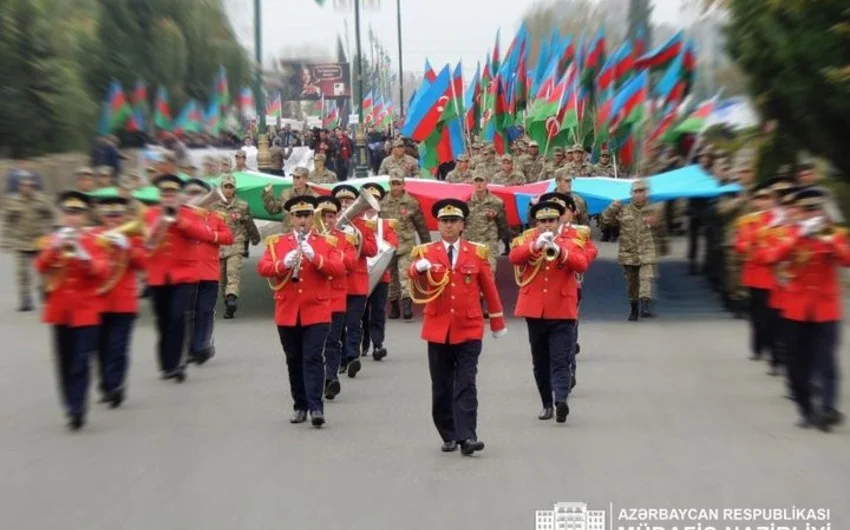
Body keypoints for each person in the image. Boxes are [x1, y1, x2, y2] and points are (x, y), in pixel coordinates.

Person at [408, 198, 507, 456]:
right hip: (438, 327)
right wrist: (417, 269)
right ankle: (448, 432)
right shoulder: (426, 252)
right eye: (444, 221)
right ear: (438, 225)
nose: (448, 226)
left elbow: (489, 288)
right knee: (441, 386)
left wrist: (497, 321)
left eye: (453, 222)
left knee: (466, 383)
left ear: (462, 225)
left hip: (469, 327)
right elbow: (413, 279)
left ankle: (467, 436)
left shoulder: (476, 252)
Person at [757, 188, 849, 430]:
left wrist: (829, 240)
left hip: (825, 309)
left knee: (827, 361)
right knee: (798, 366)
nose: (810, 215)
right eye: (806, 210)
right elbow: (770, 257)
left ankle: (828, 408)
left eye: (814, 210)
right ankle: (806, 407)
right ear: (797, 212)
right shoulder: (785, 233)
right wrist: (800, 236)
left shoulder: (833, 233)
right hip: (795, 309)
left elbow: (847, 259)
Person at [257, 196, 345, 427]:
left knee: (313, 357)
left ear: (312, 217)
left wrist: (314, 257)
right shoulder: (277, 243)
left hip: (316, 309)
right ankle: (300, 405)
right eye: (298, 216)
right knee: (293, 360)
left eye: (306, 215)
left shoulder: (326, 242)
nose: (303, 220)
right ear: (291, 218)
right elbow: (263, 268)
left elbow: (338, 268)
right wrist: (283, 264)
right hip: (288, 310)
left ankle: (316, 407)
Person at [34, 191, 109, 430]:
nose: (72, 218)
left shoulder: (95, 240)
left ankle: (77, 408)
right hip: (60, 311)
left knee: (80, 361)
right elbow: (40, 266)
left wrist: (81, 251)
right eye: (68, 213)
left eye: (77, 213)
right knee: (64, 361)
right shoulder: (51, 240)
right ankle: (69, 404)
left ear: (85, 216)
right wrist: (55, 246)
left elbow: (102, 271)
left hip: (86, 311)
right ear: (61, 214)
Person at [510, 200, 590, 422]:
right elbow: (514, 257)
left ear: (558, 221)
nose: (547, 225)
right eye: (543, 221)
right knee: (540, 360)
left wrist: (562, 251)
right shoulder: (527, 239)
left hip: (562, 308)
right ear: (536, 223)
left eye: (551, 221)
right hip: (535, 310)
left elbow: (582, 263)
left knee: (561, 358)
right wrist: (536, 245)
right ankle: (546, 403)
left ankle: (561, 400)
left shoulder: (571, 241)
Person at [143, 174, 220, 383]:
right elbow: (147, 243)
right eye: (165, 194)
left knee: (178, 317)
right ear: (160, 196)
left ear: (177, 195)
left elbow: (200, 234)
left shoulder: (188, 213)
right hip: (158, 277)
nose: (168, 197)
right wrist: (161, 221)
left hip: (183, 276)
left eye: (172, 193)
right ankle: (167, 364)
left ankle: (177, 364)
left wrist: (178, 218)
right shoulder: (150, 214)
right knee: (163, 321)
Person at [91, 197, 147, 407]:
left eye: (117, 216)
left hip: (124, 302)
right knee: (101, 347)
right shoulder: (95, 236)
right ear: (102, 217)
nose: (113, 220)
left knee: (118, 347)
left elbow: (143, 262)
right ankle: (106, 385)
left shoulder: (132, 237)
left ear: (124, 217)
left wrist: (128, 248)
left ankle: (116, 386)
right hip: (98, 301)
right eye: (108, 215)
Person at [183, 179, 233, 364]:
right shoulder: (186, 214)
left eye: (201, 193)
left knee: (205, 311)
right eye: (192, 193)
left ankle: (201, 345)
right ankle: (188, 348)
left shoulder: (217, 217)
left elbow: (228, 237)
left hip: (209, 272)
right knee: (188, 312)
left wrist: (210, 235)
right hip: (188, 273)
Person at [600, 179, 666, 321]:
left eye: (641, 191)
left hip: (647, 251)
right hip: (628, 253)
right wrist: (612, 208)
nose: (639, 194)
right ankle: (634, 308)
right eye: (636, 192)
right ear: (631, 194)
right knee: (632, 284)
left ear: (646, 193)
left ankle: (645, 304)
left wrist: (663, 246)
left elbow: (661, 230)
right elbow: (604, 222)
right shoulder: (623, 209)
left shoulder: (653, 210)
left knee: (646, 278)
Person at [331, 184, 379, 378]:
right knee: (339, 325)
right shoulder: (330, 224)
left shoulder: (364, 225)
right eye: (341, 201)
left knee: (354, 322)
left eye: (348, 201)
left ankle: (352, 357)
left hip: (357, 283)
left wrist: (358, 240)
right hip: (337, 282)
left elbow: (372, 250)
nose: (344, 204)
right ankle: (342, 359)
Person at [313, 196, 355, 401]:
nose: (328, 220)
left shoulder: (345, 239)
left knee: (332, 340)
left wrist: (334, 251)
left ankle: (331, 379)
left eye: (332, 216)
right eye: (324, 216)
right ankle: (316, 379)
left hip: (336, 297)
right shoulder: (310, 239)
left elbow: (350, 263)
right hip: (315, 298)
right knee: (315, 344)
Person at [380, 170, 431, 320]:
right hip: (388, 246)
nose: (395, 187)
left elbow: (421, 225)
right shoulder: (382, 203)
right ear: (389, 185)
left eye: (398, 184)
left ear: (403, 185)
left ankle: (406, 306)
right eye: (393, 184)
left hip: (406, 244)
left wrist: (426, 245)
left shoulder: (411, 203)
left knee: (405, 275)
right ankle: (394, 306)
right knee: (391, 279)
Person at [2, 171, 54, 311]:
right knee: (22, 273)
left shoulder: (42, 200)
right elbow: (6, 221)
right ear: (19, 187)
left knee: (43, 271)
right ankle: (25, 299)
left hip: (39, 240)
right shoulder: (13, 201)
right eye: (24, 185)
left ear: (34, 187)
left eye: (30, 185)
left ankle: (44, 292)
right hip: (21, 241)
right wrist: (4, 240)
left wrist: (50, 233)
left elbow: (51, 215)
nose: (27, 188)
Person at [359, 183, 399, 361]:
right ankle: (363, 342)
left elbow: (393, 245)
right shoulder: (356, 224)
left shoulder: (386, 225)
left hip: (380, 276)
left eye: (375, 200)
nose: (370, 205)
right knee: (360, 311)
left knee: (378, 310)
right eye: (368, 201)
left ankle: (377, 343)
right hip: (359, 275)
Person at [214, 173, 261, 319]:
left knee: (232, 273)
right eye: (225, 187)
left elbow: (248, 223)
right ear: (221, 188)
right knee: (222, 277)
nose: (228, 190)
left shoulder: (242, 205)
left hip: (236, 243)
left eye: (231, 187)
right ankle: (227, 301)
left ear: (235, 189)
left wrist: (255, 238)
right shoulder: (214, 205)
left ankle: (232, 298)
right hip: (219, 246)